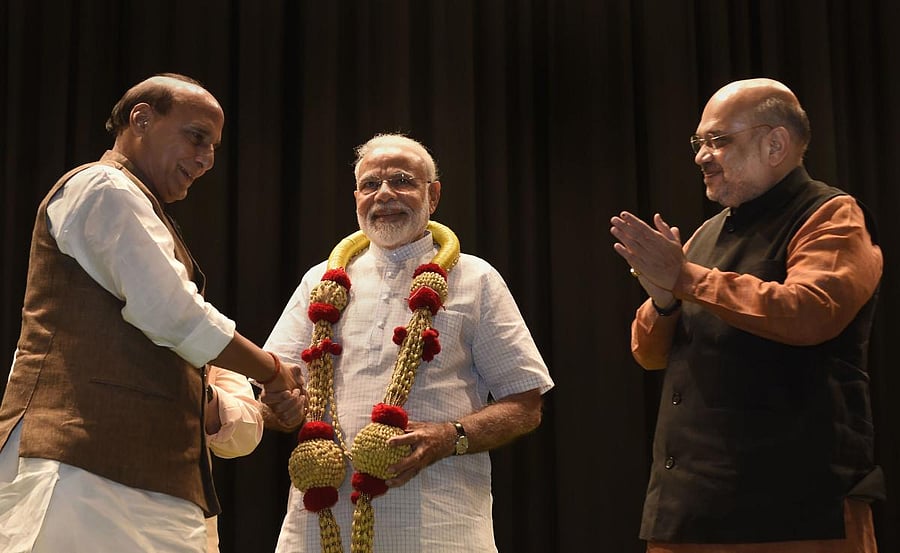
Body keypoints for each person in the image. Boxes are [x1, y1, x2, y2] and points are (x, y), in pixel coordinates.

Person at [0, 73, 306, 552]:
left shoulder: (137, 206)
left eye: (214, 148)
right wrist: (273, 371)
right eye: (196, 137)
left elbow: (226, 403)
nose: (206, 160)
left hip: (157, 487)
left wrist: (253, 398)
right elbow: (175, 315)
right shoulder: (101, 186)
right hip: (80, 469)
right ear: (141, 119)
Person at [609, 78, 883, 553]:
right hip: (688, 512)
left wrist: (686, 279)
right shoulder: (705, 235)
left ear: (775, 143)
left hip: (795, 515)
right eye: (699, 142)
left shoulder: (830, 215)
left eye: (718, 140)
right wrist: (664, 301)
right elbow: (649, 355)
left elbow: (812, 311)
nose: (700, 155)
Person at [261, 133, 554, 553]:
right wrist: (278, 407)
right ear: (356, 197)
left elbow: (526, 405)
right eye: (369, 185)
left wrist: (448, 436)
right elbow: (275, 392)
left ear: (432, 196)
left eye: (401, 180)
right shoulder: (319, 282)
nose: (384, 195)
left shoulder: (475, 278)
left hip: (440, 525)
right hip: (318, 527)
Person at [204, 366, 265, 553]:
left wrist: (203, 393)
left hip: (183, 513)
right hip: (114, 495)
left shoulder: (211, 340)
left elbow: (248, 433)